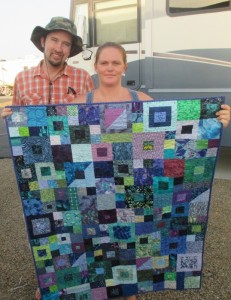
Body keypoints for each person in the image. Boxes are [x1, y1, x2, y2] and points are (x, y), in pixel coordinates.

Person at [1, 16, 94, 119]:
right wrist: (10, 118)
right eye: (54, 40)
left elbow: (91, 119)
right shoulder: (21, 79)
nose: (58, 49)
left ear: (70, 49)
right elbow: (19, 121)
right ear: (43, 42)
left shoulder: (83, 78)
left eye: (66, 44)